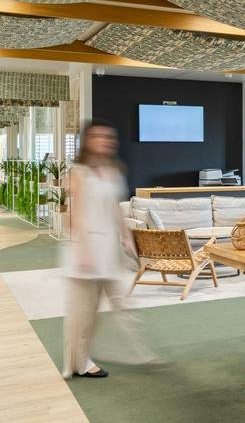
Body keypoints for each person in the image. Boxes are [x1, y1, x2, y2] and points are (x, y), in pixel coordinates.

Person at [61, 119, 154, 379]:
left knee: (121, 301)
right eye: (99, 136)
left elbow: (115, 207)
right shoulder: (79, 172)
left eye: (109, 136)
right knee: (84, 311)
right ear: (88, 141)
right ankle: (79, 362)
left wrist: (127, 236)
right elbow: (74, 213)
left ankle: (138, 350)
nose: (106, 140)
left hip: (108, 248)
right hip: (86, 250)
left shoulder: (114, 170)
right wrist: (83, 250)